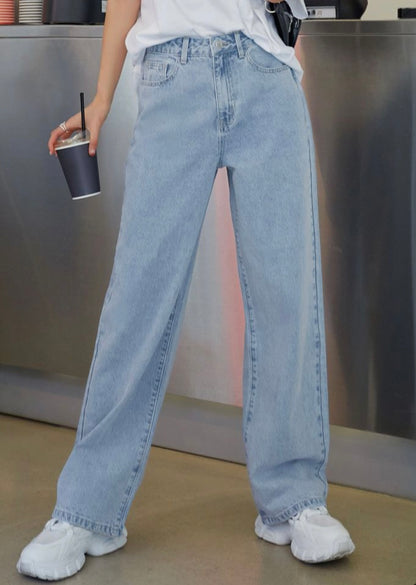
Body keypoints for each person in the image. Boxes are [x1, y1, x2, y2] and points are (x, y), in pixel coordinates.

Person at [17, 0, 355, 579]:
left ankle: (295, 499)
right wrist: (101, 98)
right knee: (137, 301)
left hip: (265, 72)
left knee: (286, 298)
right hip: (173, 75)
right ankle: (88, 510)